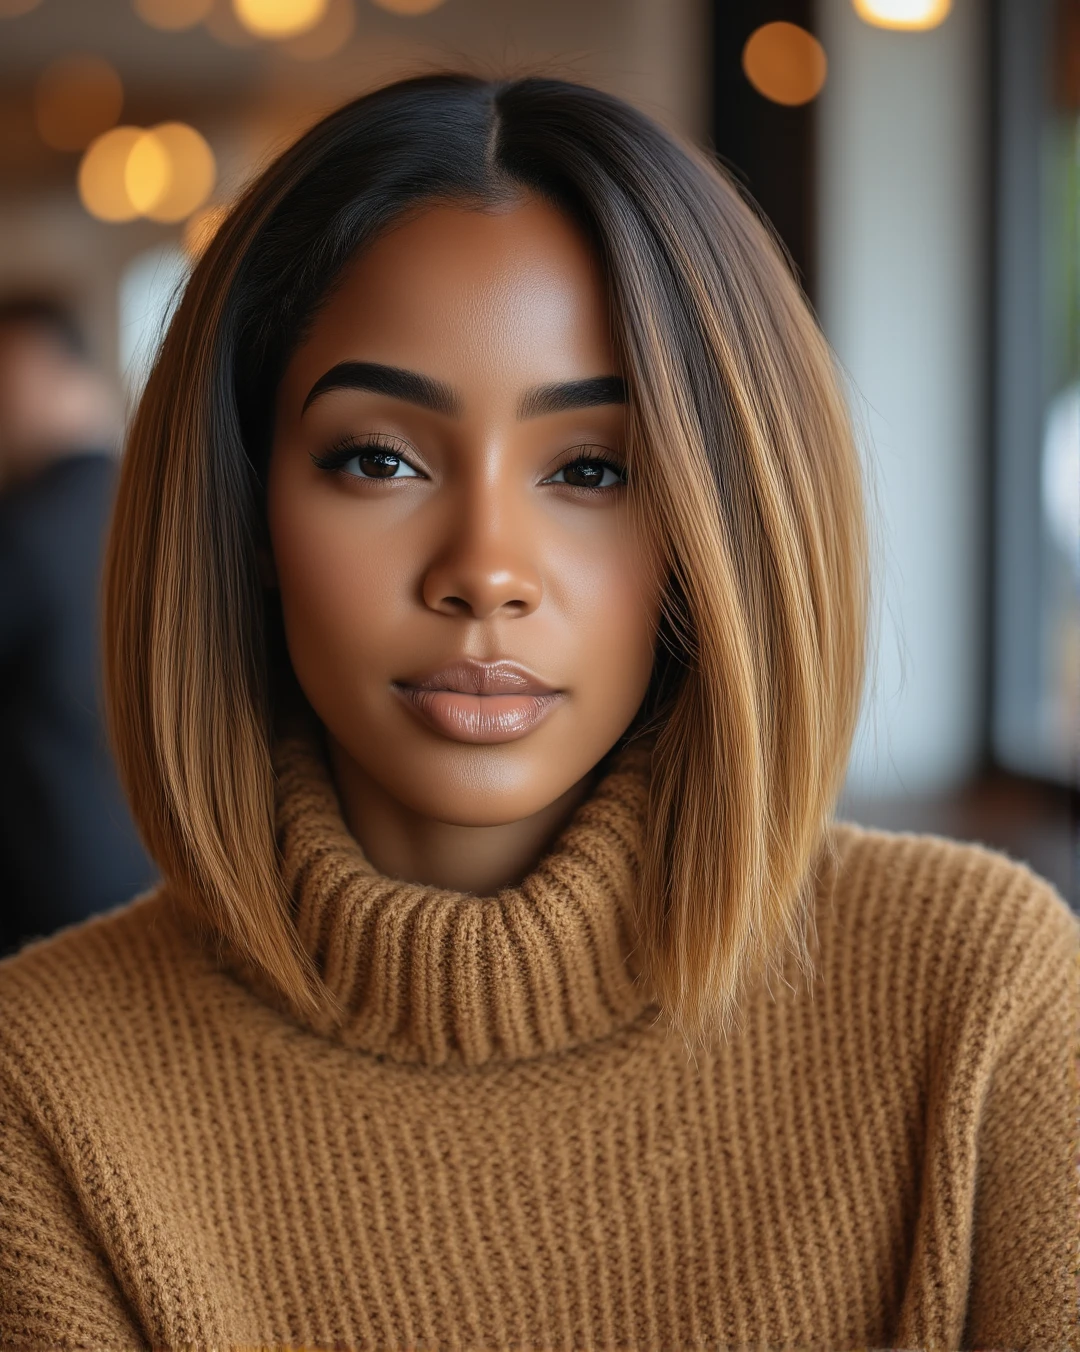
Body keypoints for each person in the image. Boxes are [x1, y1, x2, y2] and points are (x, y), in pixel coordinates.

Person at [0, 74, 1075, 1350]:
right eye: (377, 456)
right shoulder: (48, 1087)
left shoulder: (974, 998)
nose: (487, 568)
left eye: (592, 468)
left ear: (719, 522)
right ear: (243, 508)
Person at [0, 296, 154, 957]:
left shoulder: (26, 527)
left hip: (42, 881)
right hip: (153, 867)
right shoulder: (157, 514)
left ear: (50, 370)